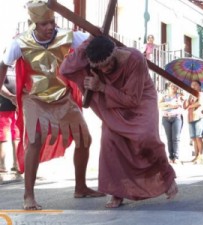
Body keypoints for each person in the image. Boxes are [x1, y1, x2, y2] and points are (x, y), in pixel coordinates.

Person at [0, 1, 105, 210]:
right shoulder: (19, 43)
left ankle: (81, 186)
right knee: (34, 139)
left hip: (63, 97)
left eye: (52, 22)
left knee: (85, 138)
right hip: (34, 97)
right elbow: (3, 65)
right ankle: (28, 195)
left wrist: (98, 33)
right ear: (34, 24)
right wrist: (4, 93)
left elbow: (94, 40)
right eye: (44, 23)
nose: (50, 27)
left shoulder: (68, 36)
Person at [59, 35, 178, 208]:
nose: (105, 69)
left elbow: (132, 100)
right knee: (110, 141)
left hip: (140, 100)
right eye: (100, 67)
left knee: (146, 137)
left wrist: (101, 87)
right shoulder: (96, 61)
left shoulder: (135, 58)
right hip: (112, 104)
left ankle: (166, 178)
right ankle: (117, 191)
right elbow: (66, 69)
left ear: (114, 52)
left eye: (107, 64)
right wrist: (88, 43)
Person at [183, 81, 203, 164]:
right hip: (190, 118)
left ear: (199, 86)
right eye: (192, 85)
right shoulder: (189, 95)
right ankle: (196, 156)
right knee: (193, 138)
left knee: (198, 137)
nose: (193, 86)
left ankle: (201, 156)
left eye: (195, 85)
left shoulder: (202, 94)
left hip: (199, 117)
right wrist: (186, 99)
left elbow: (200, 103)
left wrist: (190, 106)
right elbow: (185, 106)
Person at [0, 65, 19, 173]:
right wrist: (11, 97)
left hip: (16, 107)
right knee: (3, 136)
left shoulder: (17, 67)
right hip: (4, 106)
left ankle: (16, 164)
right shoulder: (2, 67)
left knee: (16, 135)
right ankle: (2, 165)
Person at [158, 82, 184, 164]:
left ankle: (176, 157)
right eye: (172, 86)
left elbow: (177, 105)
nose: (174, 87)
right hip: (166, 118)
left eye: (175, 86)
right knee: (169, 139)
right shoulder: (164, 96)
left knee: (175, 138)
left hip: (176, 118)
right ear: (168, 87)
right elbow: (160, 106)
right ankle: (170, 157)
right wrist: (170, 104)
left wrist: (166, 105)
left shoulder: (179, 96)